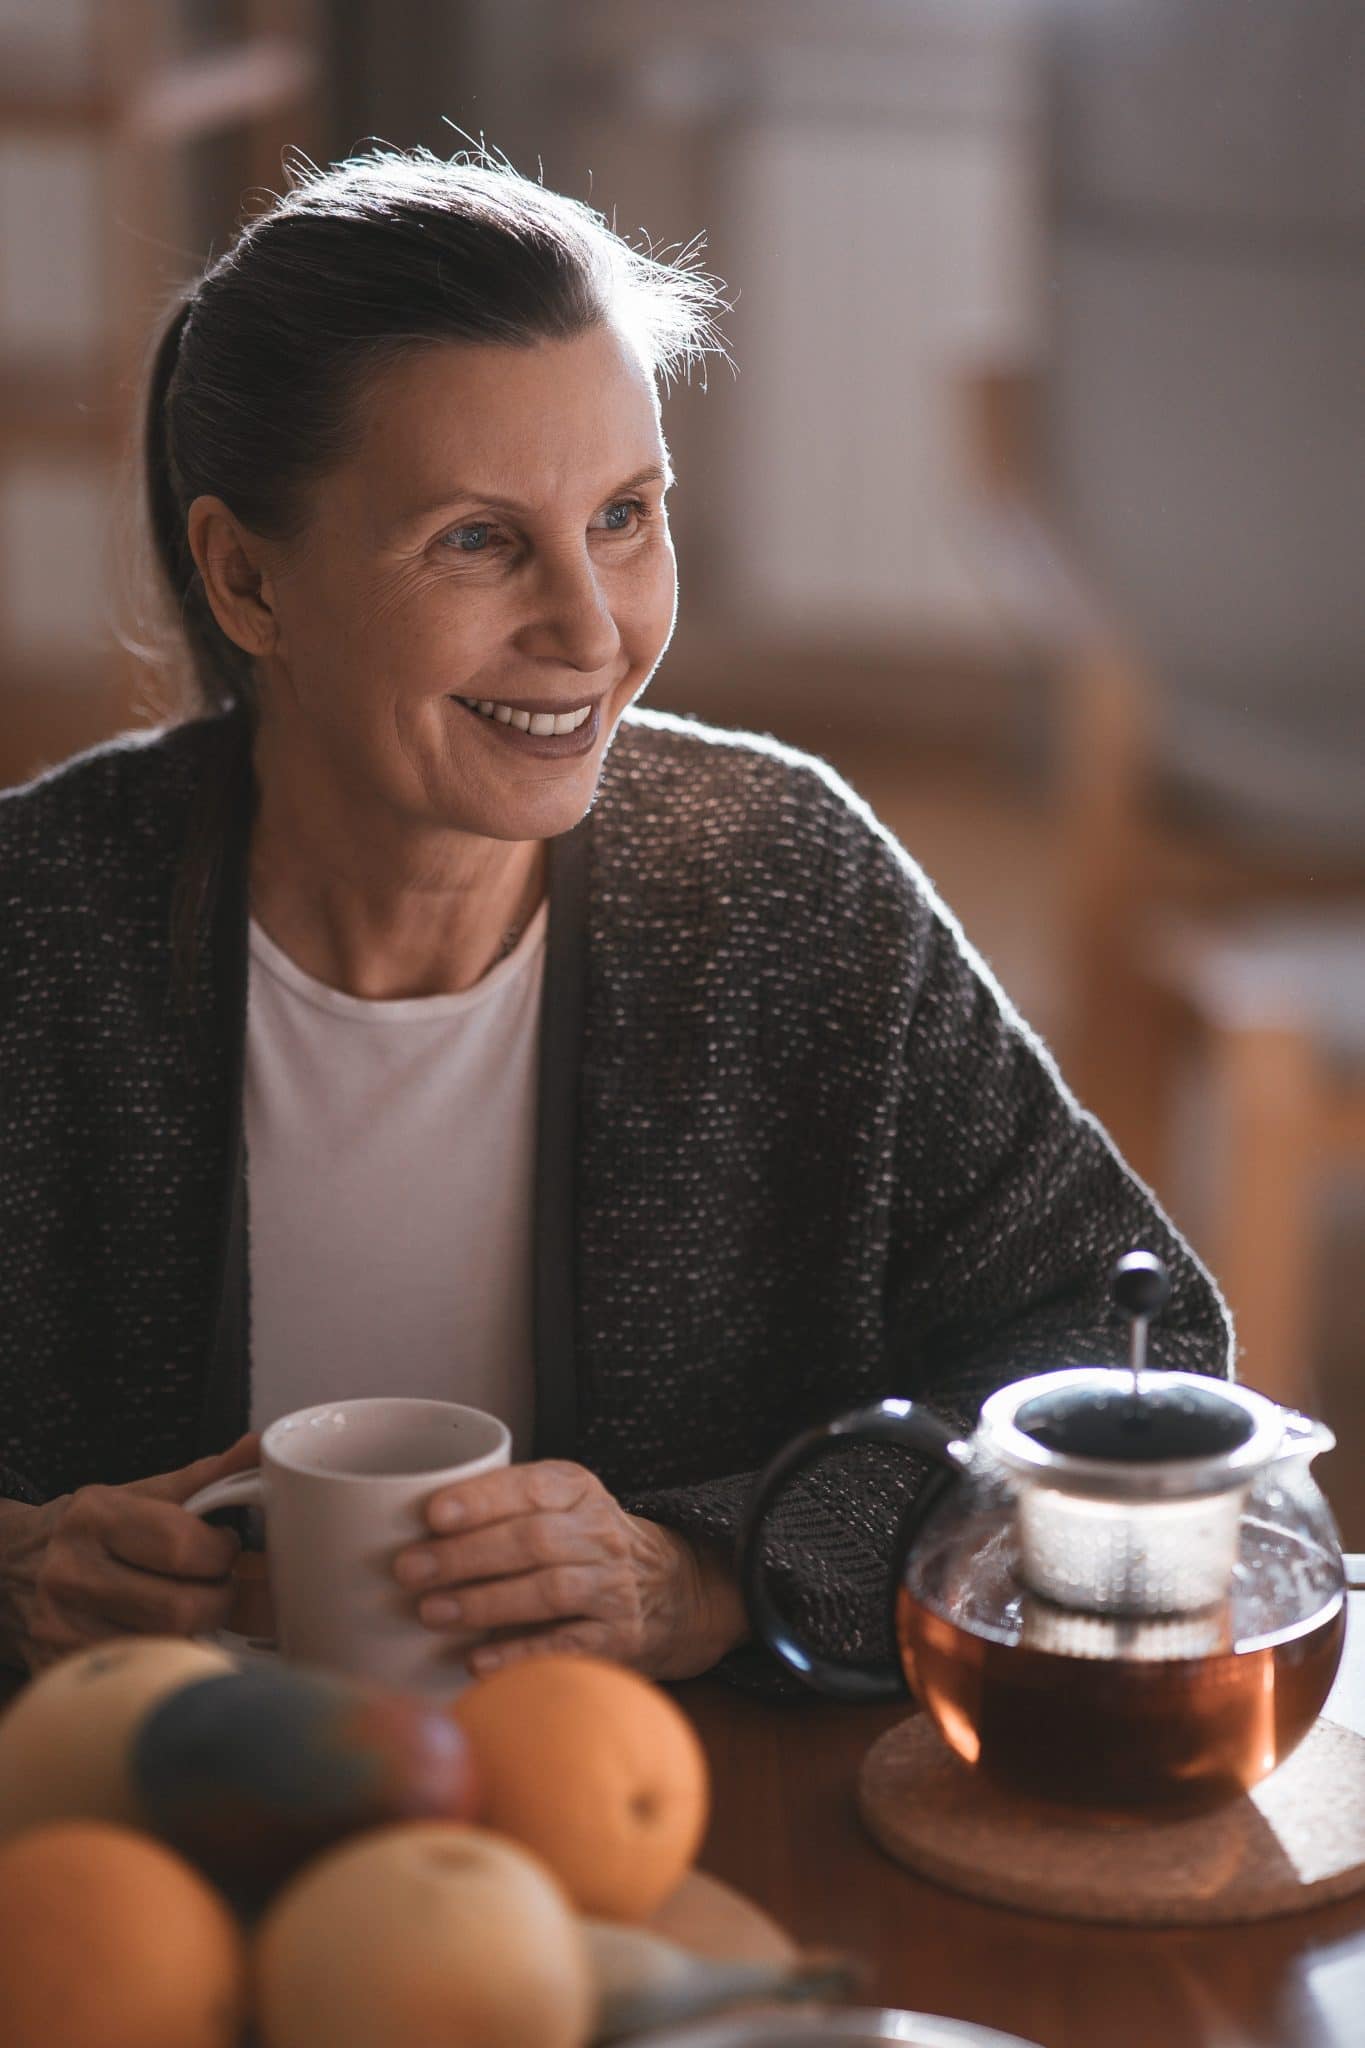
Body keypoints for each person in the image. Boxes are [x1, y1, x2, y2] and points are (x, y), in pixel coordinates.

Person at [0, 150, 1232, 1683]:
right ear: (247, 580)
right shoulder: (37, 923)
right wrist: (15, 1567)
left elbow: (1135, 1355)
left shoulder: (784, 883)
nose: (591, 632)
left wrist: (712, 1574)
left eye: (625, 516)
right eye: (476, 539)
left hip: (680, 1837)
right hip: (130, 1853)